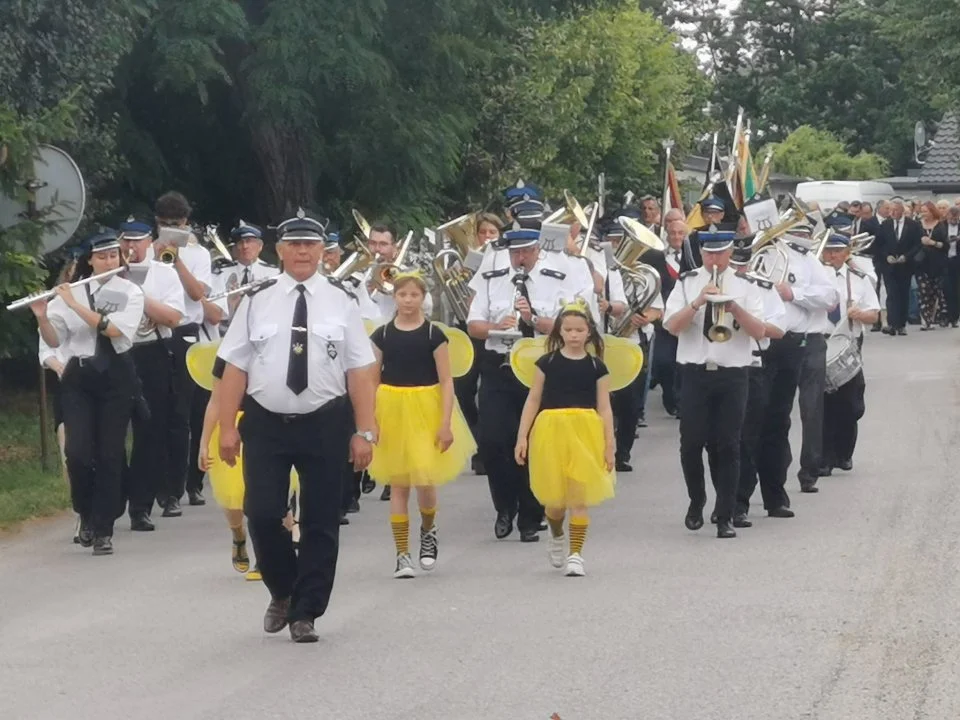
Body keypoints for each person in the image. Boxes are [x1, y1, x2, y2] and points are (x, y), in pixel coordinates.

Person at [217, 209, 376, 643]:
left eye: (311, 245)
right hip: (267, 421)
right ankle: (283, 590)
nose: (303, 252)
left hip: (326, 420)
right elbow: (234, 365)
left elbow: (360, 369)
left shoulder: (343, 300)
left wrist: (365, 431)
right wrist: (227, 428)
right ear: (281, 251)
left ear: (324, 251)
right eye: (295, 245)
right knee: (263, 513)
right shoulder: (256, 298)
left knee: (322, 519)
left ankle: (307, 612)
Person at [467, 226, 593, 542]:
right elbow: (473, 325)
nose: (519, 259)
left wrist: (534, 319)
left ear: (537, 250)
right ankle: (504, 507)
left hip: (540, 366)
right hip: (500, 364)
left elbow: (573, 325)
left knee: (535, 443)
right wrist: (496, 326)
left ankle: (530, 514)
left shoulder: (558, 278)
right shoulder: (492, 279)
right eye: (514, 253)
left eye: (525, 252)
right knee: (494, 440)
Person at [30, 230, 145, 555]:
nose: (109, 261)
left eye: (113, 256)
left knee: (110, 454)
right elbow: (54, 341)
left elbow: (113, 329)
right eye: (102, 257)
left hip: (116, 375)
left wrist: (72, 304)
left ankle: (104, 528)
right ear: (90, 261)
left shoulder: (130, 292)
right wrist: (42, 317)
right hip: (79, 376)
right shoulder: (73, 291)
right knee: (77, 453)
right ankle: (85, 511)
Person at [367, 271, 476, 578]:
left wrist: (445, 422)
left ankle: (428, 530)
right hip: (393, 408)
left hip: (426, 407)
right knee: (399, 482)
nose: (408, 300)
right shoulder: (383, 335)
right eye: (403, 295)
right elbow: (372, 379)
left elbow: (446, 380)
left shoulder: (434, 335)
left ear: (423, 298)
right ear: (395, 298)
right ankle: (402, 554)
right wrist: (371, 419)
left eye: (414, 295)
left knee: (425, 480)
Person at [662, 230, 766, 539]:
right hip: (695, 371)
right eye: (708, 254)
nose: (713, 260)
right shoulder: (687, 282)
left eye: (719, 254)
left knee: (728, 444)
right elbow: (671, 327)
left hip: (733, 372)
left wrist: (734, 308)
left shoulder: (746, 285)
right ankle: (697, 500)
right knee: (691, 444)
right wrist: (697, 303)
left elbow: (759, 331)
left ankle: (725, 514)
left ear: (729, 252)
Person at [514, 299, 615, 576]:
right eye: (568, 329)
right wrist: (522, 436)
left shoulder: (597, 367)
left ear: (589, 333)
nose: (573, 335)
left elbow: (604, 407)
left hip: (586, 432)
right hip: (551, 430)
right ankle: (556, 533)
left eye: (579, 330)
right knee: (555, 502)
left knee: (578, 496)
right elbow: (533, 400)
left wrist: (610, 444)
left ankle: (576, 555)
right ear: (559, 331)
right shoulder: (546, 363)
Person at [705, 239, 786, 526]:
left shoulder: (760, 287)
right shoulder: (702, 284)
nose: (737, 268)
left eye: (741, 263)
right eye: (734, 262)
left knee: (743, 438)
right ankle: (723, 497)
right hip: (711, 366)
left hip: (750, 365)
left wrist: (749, 320)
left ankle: (736, 503)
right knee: (714, 441)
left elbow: (778, 329)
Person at [118, 219, 186, 532]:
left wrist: (134, 293)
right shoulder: (106, 272)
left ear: (149, 242)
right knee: (111, 432)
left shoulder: (164, 273)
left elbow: (172, 318)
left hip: (152, 351)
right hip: (116, 353)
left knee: (150, 431)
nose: (131, 248)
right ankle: (110, 499)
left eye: (137, 241)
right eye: (126, 242)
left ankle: (140, 507)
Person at [153, 191, 213, 514]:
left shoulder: (198, 253)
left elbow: (197, 293)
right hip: (158, 330)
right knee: (160, 411)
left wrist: (175, 260)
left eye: (176, 224)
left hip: (187, 332)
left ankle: (184, 485)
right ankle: (161, 485)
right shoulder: (148, 250)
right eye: (164, 224)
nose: (170, 229)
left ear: (186, 223)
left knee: (185, 413)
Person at [820, 234, 880, 473]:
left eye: (837, 251)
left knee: (850, 403)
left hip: (849, 340)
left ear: (847, 253)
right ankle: (824, 458)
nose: (832, 255)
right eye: (829, 251)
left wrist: (859, 314)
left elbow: (874, 314)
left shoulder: (858, 278)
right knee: (823, 403)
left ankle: (844, 453)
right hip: (822, 340)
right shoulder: (817, 277)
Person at [879, 198, 921, 336]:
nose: (892, 213)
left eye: (895, 210)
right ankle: (892, 324)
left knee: (903, 294)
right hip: (889, 266)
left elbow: (917, 245)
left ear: (902, 210)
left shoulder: (913, 225)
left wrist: (907, 256)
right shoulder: (885, 224)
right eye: (890, 210)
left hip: (905, 265)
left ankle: (901, 324)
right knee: (891, 294)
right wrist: (886, 256)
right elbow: (880, 244)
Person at [916, 202, 948, 329]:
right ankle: (925, 320)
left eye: (926, 211)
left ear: (932, 211)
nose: (924, 214)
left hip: (937, 263)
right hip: (921, 263)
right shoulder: (918, 226)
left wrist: (933, 243)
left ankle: (933, 316)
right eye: (922, 211)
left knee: (934, 292)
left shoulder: (940, 226)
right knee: (923, 292)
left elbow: (945, 246)